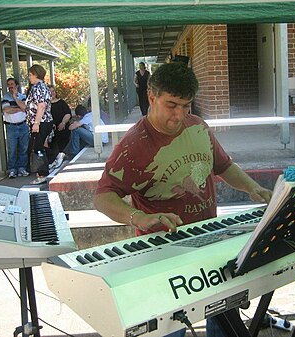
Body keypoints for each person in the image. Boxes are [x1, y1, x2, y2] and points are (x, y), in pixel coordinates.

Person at [93, 62, 272, 337]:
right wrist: (138, 217)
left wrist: (252, 187)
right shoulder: (133, 145)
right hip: (164, 253)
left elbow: (223, 166)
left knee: (224, 318)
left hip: (210, 241)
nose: (179, 115)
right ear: (152, 97)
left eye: (186, 106)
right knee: (170, 328)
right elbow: (103, 197)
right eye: (172, 105)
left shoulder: (198, 126)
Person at [12, 64, 53, 185]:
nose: (29, 77)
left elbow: (41, 106)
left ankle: (43, 173)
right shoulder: (37, 88)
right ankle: (46, 168)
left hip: (41, 122)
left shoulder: (38, 87)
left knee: (36, 148)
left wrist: (36, 123)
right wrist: (15, 97)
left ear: (36, 75)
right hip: (38, 122)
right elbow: (26, 107)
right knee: (37, 147)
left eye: (30, 75)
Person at [1, 77, 30, 178]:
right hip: (11, 127)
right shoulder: (5, 97)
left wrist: (15, 98)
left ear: (16, 86)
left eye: (12, 84)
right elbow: (7, 110)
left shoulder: (23, 97)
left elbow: (25, 108)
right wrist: (19, 108)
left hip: (23, 126)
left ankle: (22, 168)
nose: (10, 86)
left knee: (24, 148)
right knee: (12, 149)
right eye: (8, 84)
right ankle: (12, 170)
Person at [48, 84, 71, 169]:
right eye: (50, 92)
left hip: (63, 128)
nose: (52, 93)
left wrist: (63, 123)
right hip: (52, 130)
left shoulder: (61, 103)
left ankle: (63, 157)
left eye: (53, 91)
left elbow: (68, 113)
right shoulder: (45, 105)